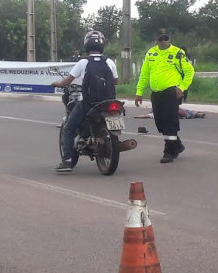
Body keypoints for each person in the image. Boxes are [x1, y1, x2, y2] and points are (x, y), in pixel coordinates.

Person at [51, 31, 118, 173]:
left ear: (86, 45)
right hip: (109, 102)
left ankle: (67, 161)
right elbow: (116, 80)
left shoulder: (83, 62)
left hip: (89, 103)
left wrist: (58, 83)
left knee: (69, 128)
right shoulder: (109, 61)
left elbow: (67, 81)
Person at [134, 29, 195, 163]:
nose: (163, 42)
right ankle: (177, 144)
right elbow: (145, 74)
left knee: (170, 121)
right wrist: (139, 92)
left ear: (169, 40)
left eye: (165, 39)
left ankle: (169, 151)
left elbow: (189, 71)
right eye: (160, 40)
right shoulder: (151, 53)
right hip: (156, 93)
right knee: (160, 122)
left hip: (171, 92)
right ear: (156, 40)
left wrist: (182, 87)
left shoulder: (178, 53)